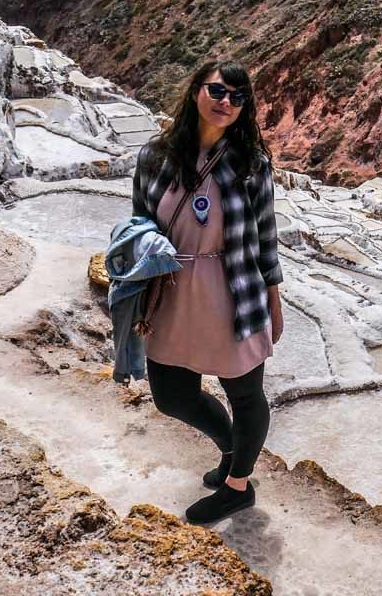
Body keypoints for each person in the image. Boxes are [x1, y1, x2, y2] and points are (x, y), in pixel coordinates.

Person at [130, 60, 284, 525]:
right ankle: (231, 448)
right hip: (171, 288)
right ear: (196, 91)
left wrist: (274, 302)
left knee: (245, 394)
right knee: (172, 396)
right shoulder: (155, 156)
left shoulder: (251, 165)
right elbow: (138, 223)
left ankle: (238, 486)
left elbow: (266, 236)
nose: (226, 103)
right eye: (218, 91)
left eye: (238, 98)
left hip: (233, 288)